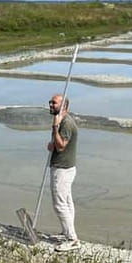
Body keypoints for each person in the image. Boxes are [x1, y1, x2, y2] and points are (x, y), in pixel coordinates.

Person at [47, 93, 80, 252]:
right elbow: (57, 145)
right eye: (50, 103)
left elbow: (61, 147)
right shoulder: (63, 122)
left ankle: (72, 239)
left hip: (62, 170)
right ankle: (67, 232)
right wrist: (52, 143)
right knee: (66, 201)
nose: (51, 105)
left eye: (54, 103)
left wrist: (55, 127)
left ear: (64, 107)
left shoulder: (65, 123)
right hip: (66, 167)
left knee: (59, 204)